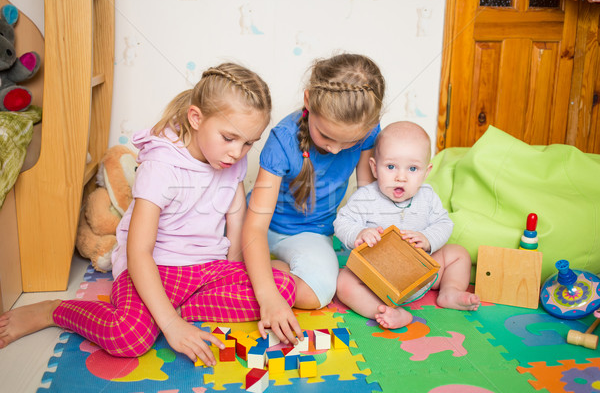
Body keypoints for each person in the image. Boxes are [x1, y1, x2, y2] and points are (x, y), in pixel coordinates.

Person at [0, 63, 297, 366]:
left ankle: (165, 311)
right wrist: (170, 325)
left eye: (249, 143)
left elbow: (236, 229)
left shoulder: (232, 162)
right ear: (196, 118)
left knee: (283, 288)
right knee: (129, 336)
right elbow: (139, 251)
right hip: (153, 268)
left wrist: (234, 279)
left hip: (205, 270)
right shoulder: (161, 166)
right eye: (229, 138)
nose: (238, 152)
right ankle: (55, 310)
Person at [242, 53, 386, 338]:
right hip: (264, 227)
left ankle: (266, 268)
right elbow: (255, 226)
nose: (335, 150)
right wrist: (269, 298)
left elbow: (367, 196)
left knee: (318, 293)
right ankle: (254, 269)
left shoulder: (368, 130)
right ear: (308, 101)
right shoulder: (282, 140)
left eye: (350, 142)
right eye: (327, 136)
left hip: (311, 233)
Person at [333, 121, 480, 329]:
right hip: (375, 281)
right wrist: (359, 233)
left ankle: (450, 292)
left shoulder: (427, 197)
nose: (401, 177)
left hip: (420, 276)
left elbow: (444, 223)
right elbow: (342, 221)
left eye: (412, 168)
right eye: (391, 167)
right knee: (344, 282)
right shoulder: (365, 197)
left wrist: (428, 239)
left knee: (458, 253)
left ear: (426, 172)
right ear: (375, 168)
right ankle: (385, 311)